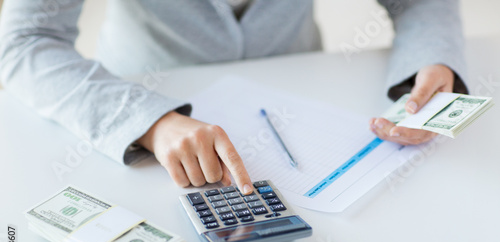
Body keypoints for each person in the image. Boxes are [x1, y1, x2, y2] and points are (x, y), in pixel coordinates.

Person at [0, 0, 468, 195]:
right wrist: (150, 122)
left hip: (303, 98)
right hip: (137, 121)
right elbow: (24, 42)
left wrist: (430, 61)